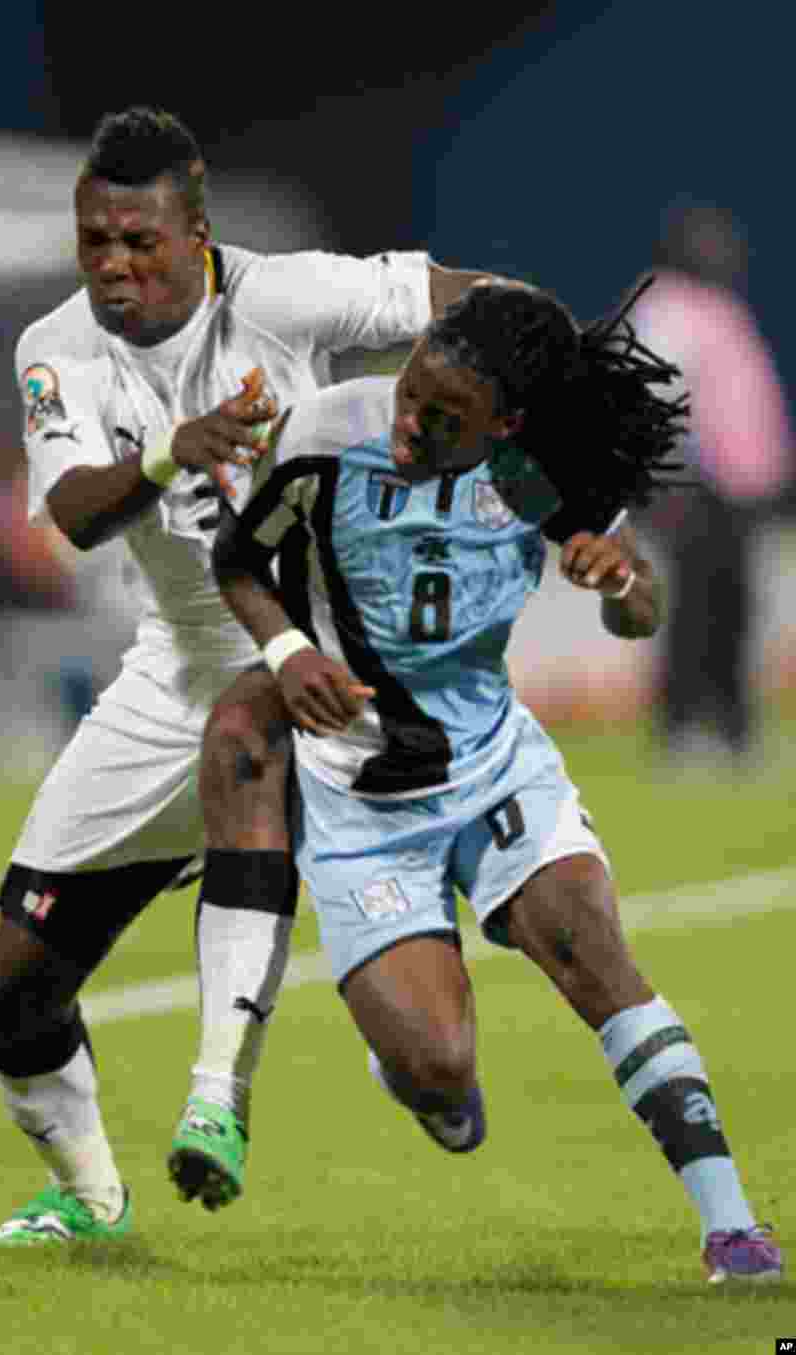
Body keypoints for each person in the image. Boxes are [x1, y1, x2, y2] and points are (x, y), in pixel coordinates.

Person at [0, 104, 511, 1245]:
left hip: (325, 668)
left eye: (140, 242)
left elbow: (467, 302)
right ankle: (89, 1195)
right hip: (173, 676)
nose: (114, 266)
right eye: (94, 242)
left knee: (431, 1066)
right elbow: (73, 515)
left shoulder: (283, 294)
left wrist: (537, 364)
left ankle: (355, 1071)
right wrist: (177, 445)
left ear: (196, 229)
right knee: (13, 980)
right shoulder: (54, 349)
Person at [207, 279, 783, 1284]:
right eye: (412, 393)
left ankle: (730, 1226)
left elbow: (639, 603)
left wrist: (622, 582)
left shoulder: (532, 473)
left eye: (444, 419)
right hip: (358, 799)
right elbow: (238, 559)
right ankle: (417, 1067)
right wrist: (292, 649)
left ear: (504, 425)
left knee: (597, 954)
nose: (410, 423)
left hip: (491, 767)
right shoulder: (324, 432)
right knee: (440, 1074)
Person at [631, 204, 792, 771]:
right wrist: (671, 479)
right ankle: (684, 729)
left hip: (741, 490)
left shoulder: (723, 310)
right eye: (707, 243)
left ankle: (733, 726)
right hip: (694, 487)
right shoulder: (668, 306)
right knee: (697, 610)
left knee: (736, 609)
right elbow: (656, 397)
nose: (721, 253)